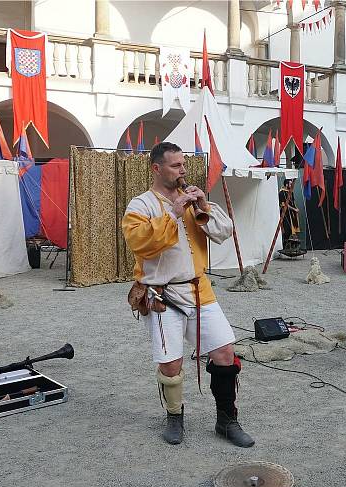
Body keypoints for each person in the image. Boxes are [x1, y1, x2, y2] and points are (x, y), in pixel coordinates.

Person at [121, 142, 255, 448]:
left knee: (224, 352)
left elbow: (223, 232)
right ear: (157, 168)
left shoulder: (192, 199)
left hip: (198, 288)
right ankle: (174, 417)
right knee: (171, 365)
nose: (183, 171)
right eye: (175, 165)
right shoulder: (140, 206)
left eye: (183, 164)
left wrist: (203, 206)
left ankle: (226, 420)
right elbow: (141, 244)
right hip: (162, 294)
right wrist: (174, 214)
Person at [279, 177, 301, 249]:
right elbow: (284, 204)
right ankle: (284, 247)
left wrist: (296, 208)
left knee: (292, 231)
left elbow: (293, 202)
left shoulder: (291, 192)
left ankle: (291, 248)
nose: (291, 185)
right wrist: (294, 209)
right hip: (285, 214)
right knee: (286, 231)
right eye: (290, 184)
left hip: (292, 214)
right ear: (286, 184)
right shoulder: (282, 192)